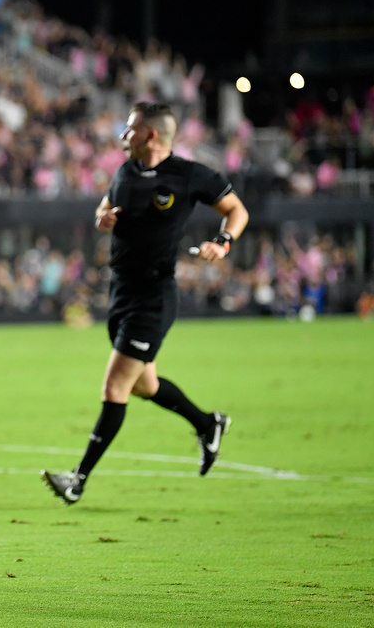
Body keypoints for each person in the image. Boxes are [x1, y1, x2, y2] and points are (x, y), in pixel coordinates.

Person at [42, 101, 249, 505]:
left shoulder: (189, 175)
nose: (123, 136)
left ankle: (78, 480)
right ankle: (208, 424)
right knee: (144, 385)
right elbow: (106, 204)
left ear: (151, 135)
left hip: (154, 296)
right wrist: (103, 216)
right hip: (120, 292)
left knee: (115, 384)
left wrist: (222, 243)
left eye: (130, 129)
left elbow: (235, 210)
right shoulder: (125, 170)